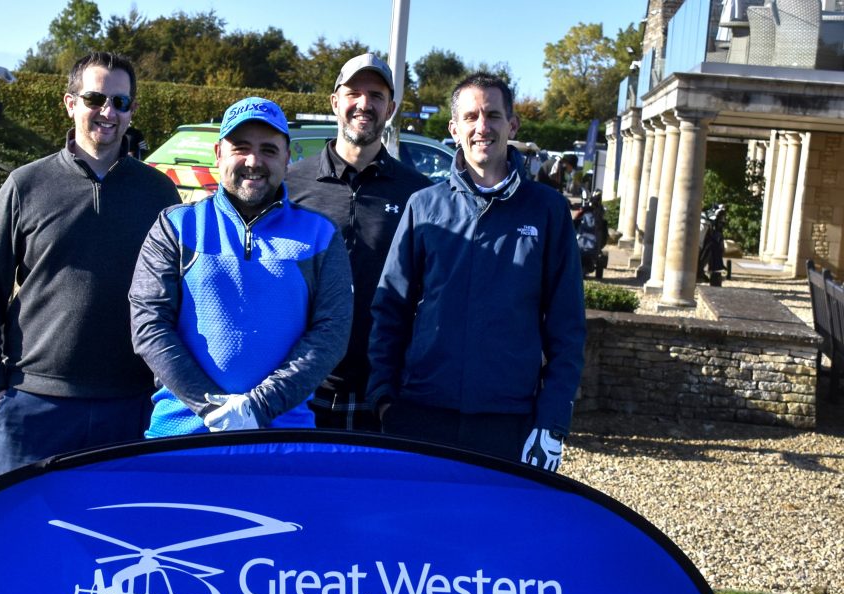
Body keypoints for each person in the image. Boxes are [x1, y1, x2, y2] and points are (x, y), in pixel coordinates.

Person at [0, 51, 180, 477]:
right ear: (70, 103)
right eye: (95, 98)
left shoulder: (159, 194)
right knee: (25, 534)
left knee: (116, 536)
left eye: (120, 102)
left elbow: (178, 295)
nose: (107, 112)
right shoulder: (26, 185)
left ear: (132, 110)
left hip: (128, 407)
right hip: (34, 405)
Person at [366, 73, 586, 472]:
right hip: (421, 413)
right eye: (470, 117)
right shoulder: (424, 206)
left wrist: (552, 422)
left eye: (492, 115)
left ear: (512, 125)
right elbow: (390, 308)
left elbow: (566, 326)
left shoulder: (548, 211)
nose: (481, 127)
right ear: (454, 129)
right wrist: (383, 396)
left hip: (506, 421)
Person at [129, 97, 353, 437]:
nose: (253, 161)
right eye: (241, 147)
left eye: (268, 149)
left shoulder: (320, 234)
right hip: (180, 435)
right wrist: (211, 408)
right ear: (219, 154)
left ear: (288, 157)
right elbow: (148, 323)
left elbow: (331, 334)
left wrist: (258, 407)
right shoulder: (176, 226)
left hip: (282, 438)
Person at [285, 53, 431, 430]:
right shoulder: (290, 186)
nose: (364, 104)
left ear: (391, 108)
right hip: (299, 386)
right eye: (354, 92)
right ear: (335, 102)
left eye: (376, 95)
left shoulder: (419, 193)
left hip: (381, 393)